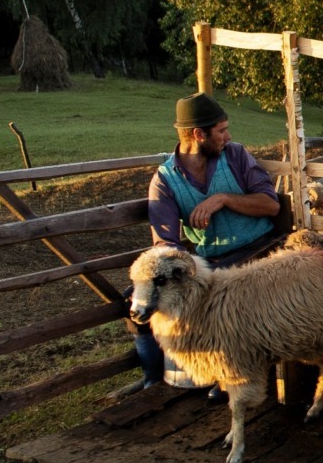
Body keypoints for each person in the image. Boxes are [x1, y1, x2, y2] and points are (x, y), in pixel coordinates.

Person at [119, 91, 282, 396]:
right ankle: (154, 380)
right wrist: (177, 272)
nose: (227, 136)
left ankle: (229, 374)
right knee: (137, 299)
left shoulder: (235, 156)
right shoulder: (165, 179)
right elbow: (165, 242)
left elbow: (270, 205)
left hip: (258, 246)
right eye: (221, 130)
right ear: (198, 134)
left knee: (226, 299)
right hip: (208, 261)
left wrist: (222, 199)